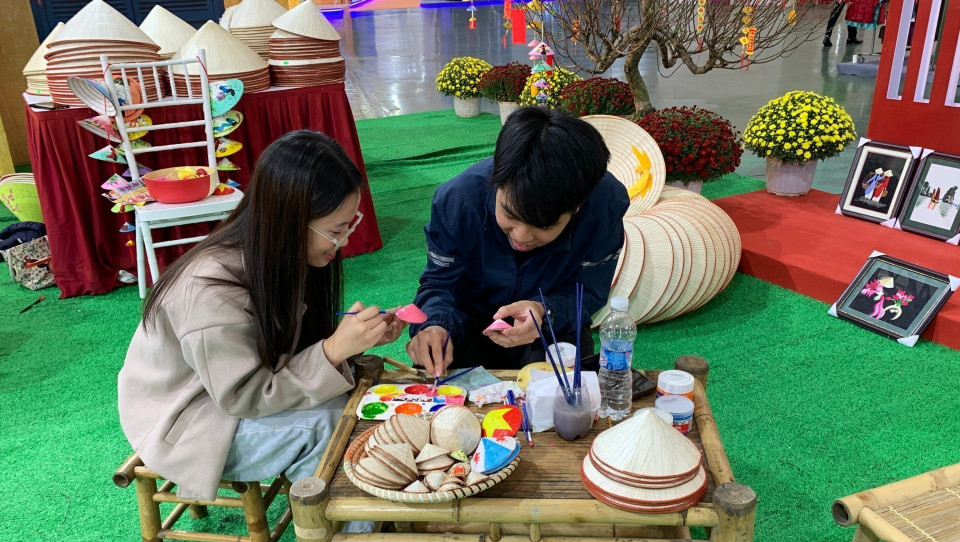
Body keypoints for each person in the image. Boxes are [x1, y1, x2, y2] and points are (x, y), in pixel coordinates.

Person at [118, 130, 405, 502]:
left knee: (359, 404)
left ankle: (374, 533)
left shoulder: (276, 254)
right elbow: (245, 397)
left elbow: (283, 354)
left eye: (350, 224)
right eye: (336, 230)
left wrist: (349, 344)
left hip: (227, 399)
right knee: (332, 425)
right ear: (290, 219)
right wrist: (334, 350)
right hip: (187, 420)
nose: (345, 240)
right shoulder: (209, 290)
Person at [406, 106, 629, 376]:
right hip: (470, 323)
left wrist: (547, 312)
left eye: (544, 225)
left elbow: (588, 292)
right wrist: (435, 324)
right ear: (497, 181)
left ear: (577, 207)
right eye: (509, 214)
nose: (521, 238)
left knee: (561, 393)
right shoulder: (457, 201)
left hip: (552, 328)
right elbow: (440, 282)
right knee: (437, 369)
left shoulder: (604, 207)